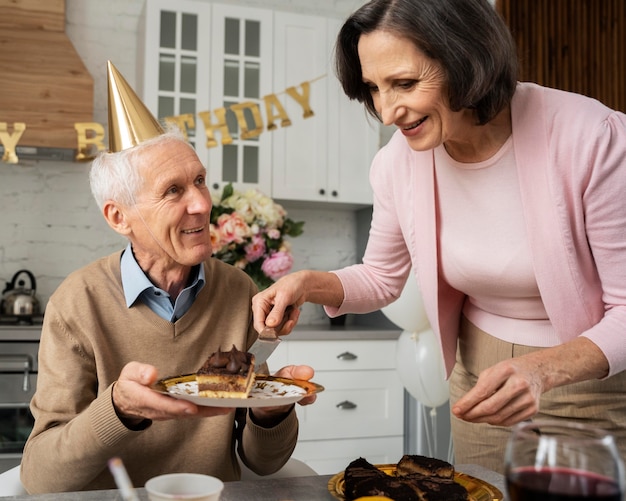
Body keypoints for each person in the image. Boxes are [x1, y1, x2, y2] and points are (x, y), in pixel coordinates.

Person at [252, 0, 626, 473]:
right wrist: (307, 283)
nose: (387, 112)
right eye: (374, 89)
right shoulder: (397, 163)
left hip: (587, 378)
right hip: (477, 376)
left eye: (405, 84)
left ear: (466, 59)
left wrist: (543, 369)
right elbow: (382, 276)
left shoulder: (593, 137)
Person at [20, 62, 315, 494]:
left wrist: (272, 410)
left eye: (199, 181)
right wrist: (118, 409)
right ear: (119, 217)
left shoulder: (237, 290)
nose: (200, 204)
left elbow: (262, 462)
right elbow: (41, 477)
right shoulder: (77, 302)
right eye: (173, 190)